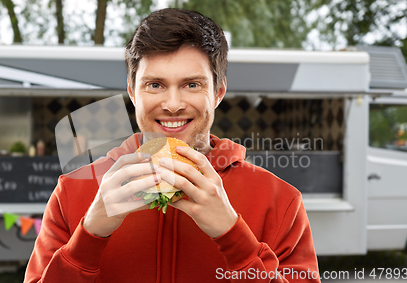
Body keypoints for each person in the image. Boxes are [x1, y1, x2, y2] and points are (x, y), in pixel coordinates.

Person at [24, 8, 321, 283]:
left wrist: (234, 237)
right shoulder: (72, 191)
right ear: (132, 92)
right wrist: (89, 235)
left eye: (192, 84)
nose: (173, 105)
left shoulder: (280, 200)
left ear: (218, 93)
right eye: (155, 85)